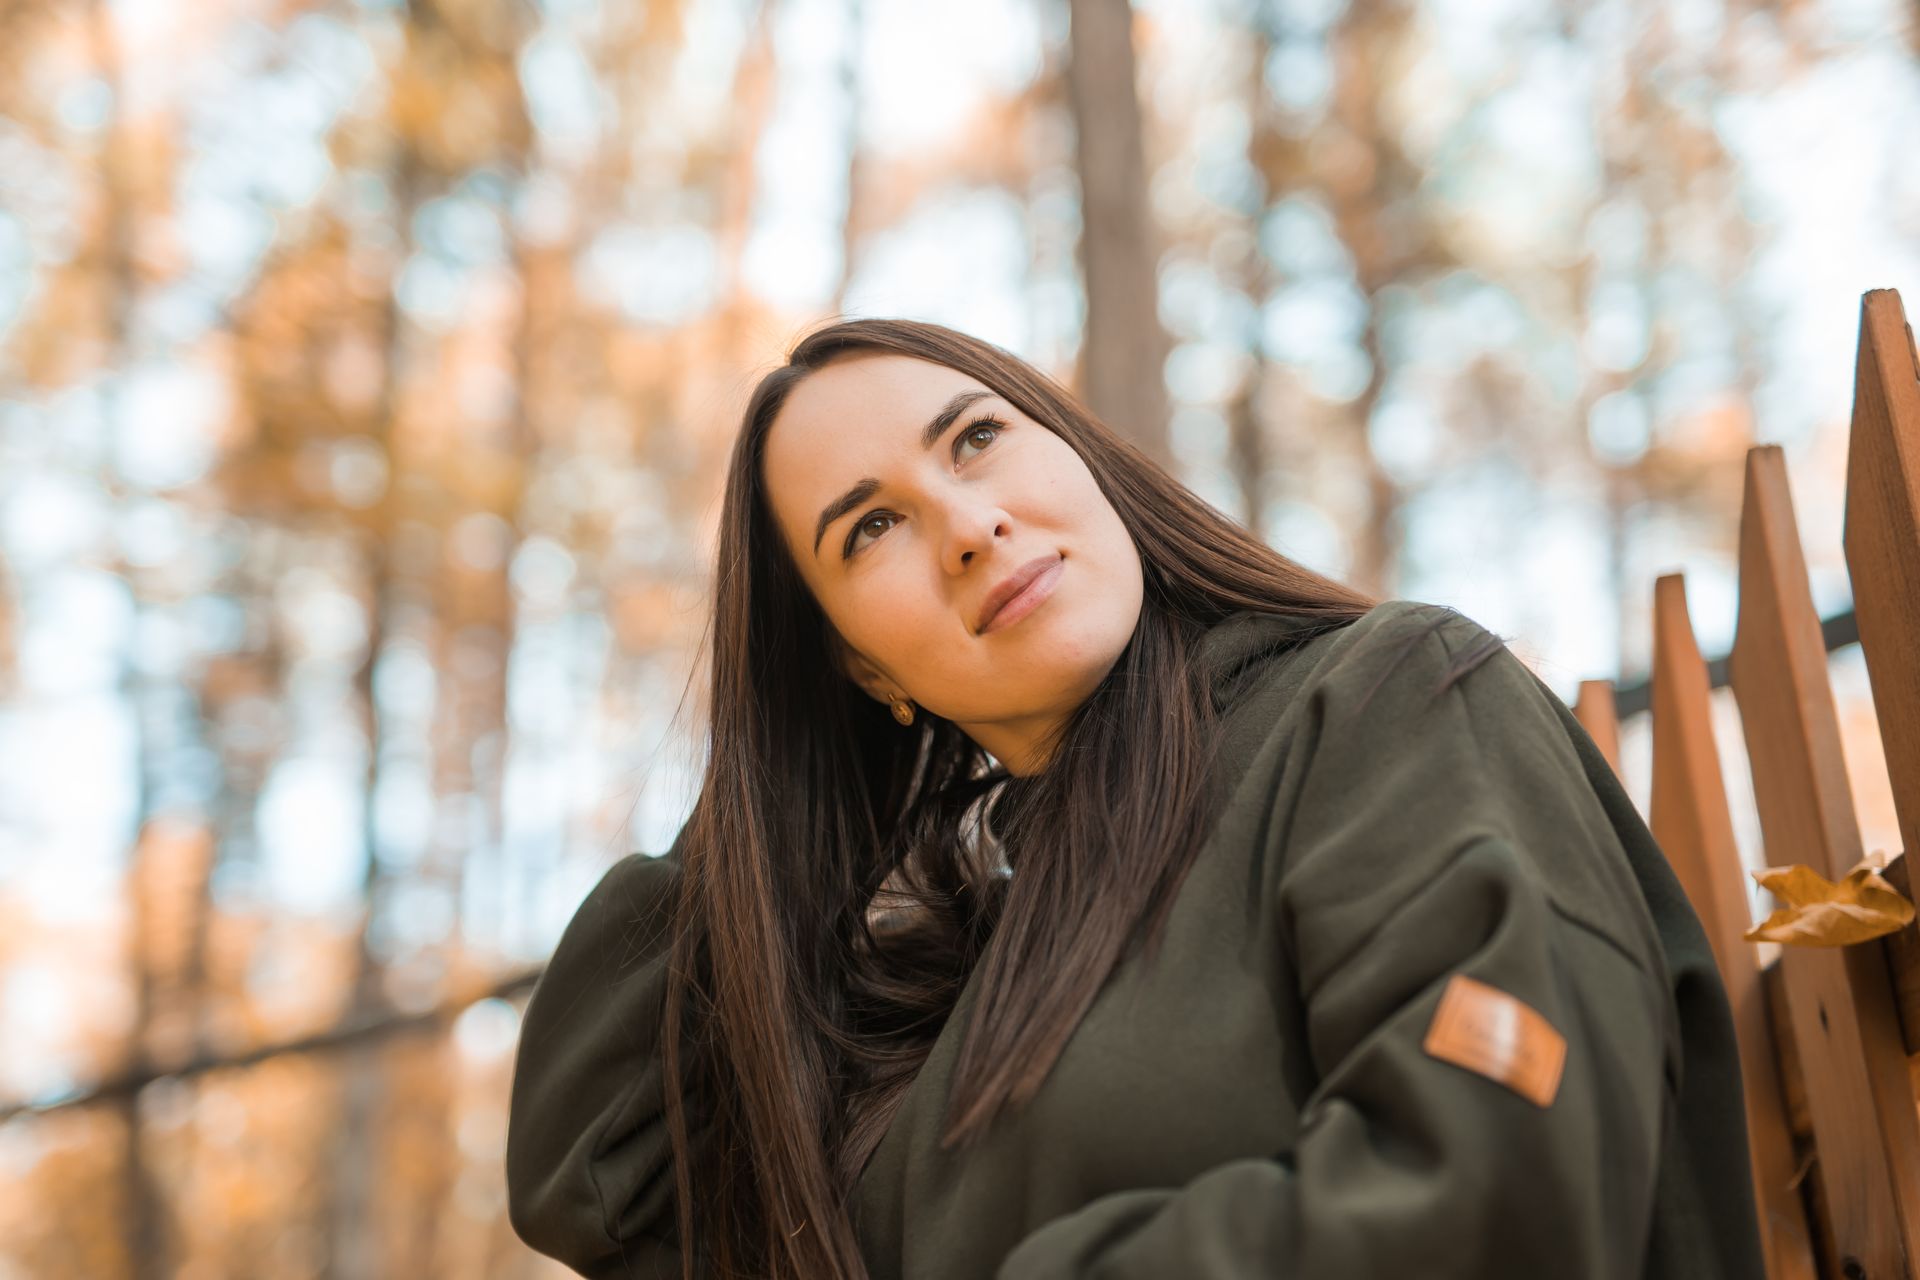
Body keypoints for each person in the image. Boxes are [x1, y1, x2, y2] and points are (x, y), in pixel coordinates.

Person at [503, 318, 1765, 1280]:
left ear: (1080, 453)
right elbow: (602, 1171)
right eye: (869, 527)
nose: (967, 522)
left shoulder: (1385, 701)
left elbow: (1498, 1168)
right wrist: (786, 770)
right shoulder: (926, 1002)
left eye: (977, 437)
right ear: (858, 665)